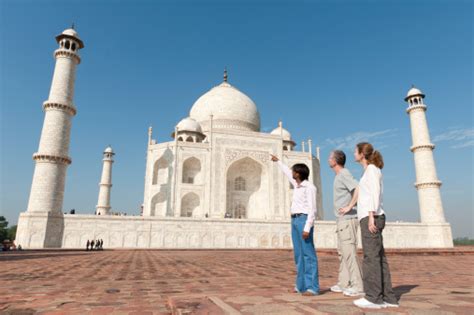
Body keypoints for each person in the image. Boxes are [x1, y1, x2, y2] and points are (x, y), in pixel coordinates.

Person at [352, 142, 398, 309]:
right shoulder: (370, 170)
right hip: (374, 215)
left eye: (355, 151)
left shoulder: (371, 170)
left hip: (372, 217)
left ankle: (373, 298)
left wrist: (371, 215)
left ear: (362, 154)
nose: (353, 154)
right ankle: (388, 298)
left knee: (370, 258)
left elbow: (374, 193)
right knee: (379, 259)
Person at [271, 154, 319, 296]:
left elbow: (312, 210)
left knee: (308, 255)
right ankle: (301, 285)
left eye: (294, 171)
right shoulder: (297, 185)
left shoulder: (309, 187)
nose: (291, 172)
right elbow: (286, 172)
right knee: (299, 255)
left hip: (304, 220)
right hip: (294, 220)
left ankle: (312, 287)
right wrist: (278, 161)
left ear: (298, 173)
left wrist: (307, 227)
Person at [328, 150, 364, 297]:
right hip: (342, 221)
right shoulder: (338, 176)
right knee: (343, 253)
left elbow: (358, 188)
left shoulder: (344, 174)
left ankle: (358, 285)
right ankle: (344, 283)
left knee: (350, 254)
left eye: (330, 157)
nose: (328, 159)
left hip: (348, 220)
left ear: (336, 161)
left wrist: (350, 206)